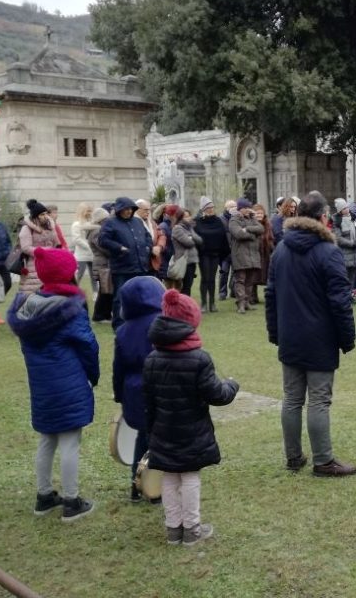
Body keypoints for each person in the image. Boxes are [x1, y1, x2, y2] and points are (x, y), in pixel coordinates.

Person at [265, 191, 356, 477]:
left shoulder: (281, 248)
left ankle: (295, 457)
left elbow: (271, 295)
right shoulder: (327, 252)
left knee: (292, 399)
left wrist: (276, 332)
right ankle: (322, 461)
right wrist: (347, 338)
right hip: (317, 337)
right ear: (321, 218)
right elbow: (340, 300)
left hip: (293, 335)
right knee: (316, 400)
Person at [8, 247, 99, 522]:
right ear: (66, 274)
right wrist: (93, 375)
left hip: (41, 384)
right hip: (68, 381)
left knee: (47, 438)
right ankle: (72, 501)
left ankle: (44, 495)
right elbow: (88, 346)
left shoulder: (28, 306)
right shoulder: (69, 310)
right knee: (70, 439)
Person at [144, 290, 239, 545]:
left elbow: (148, 400)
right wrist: (232, 386)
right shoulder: (199, 359)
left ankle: (173, 529)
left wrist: (150, 431)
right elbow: (217, 394)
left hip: (163, 430)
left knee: (170, 476)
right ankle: (192, 529)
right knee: (189, 477)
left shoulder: (152, 359)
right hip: (192, 431)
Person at [113, 276, 164, 500]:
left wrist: (119, 394)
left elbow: (118, 368)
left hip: (133, 392)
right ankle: (154, 488)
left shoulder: (123, 331)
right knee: (160, 440)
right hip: (158, 391)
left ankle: (136, 484)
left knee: (141, 438)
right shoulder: (162, 324)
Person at [98, 197, 153, 329]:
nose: (128, 211)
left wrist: (147, 248)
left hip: (140, 265)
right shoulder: (110, 223)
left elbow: (147, 237)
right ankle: (119, 324)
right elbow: (103, 240)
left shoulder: (137, 222)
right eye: (125, 209)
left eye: (130, 209)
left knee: (139, 295)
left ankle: (137, 320)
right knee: (120, 297)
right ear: (119, 210)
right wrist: (119, 248)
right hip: (122, 266)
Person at [17, 200, 62, 295]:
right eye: (42, 214)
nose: (45, 216)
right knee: (33, 295)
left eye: (46, 213)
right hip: (34, 266)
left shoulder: (50, 227)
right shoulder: (27, 228)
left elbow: (57, 244)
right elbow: (26, 247)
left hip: (50, 264)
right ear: (35, 216)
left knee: (50, 295)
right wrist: (44, 252)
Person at [228, 197, 264, 313]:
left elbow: (261, 228)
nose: (249, 210)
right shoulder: (234, 220)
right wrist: (253, 236)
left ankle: (247, 302)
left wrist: (247, 229)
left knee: (250, 281)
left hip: (252, 255)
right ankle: (241, 304)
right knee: (240, 280)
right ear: (241, 208)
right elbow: (238, 234)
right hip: (240, 254)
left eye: (249, 207)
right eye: (246, 208)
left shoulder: (252, 219)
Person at [194, 197, 229, 313]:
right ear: (203, 209)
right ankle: (203, 303)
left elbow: (222, 235)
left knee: (212, 279)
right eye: (208, 207)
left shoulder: (218, 221)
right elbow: (196, 236)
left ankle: (212, 303)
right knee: (205, 278)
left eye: (212, 207)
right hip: (203, 254)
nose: (211, 209)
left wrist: (223, 251)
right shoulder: (198, 221)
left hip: (215, 254)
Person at [333, 199, 356, 295]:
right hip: (344, 253)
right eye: (344, 208)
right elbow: (338, 238)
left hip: (355, 253)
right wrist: (352, 243)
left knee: (352, 277)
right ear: (340, 210)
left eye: (347, 207)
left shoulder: (353, 218)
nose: (347, 209)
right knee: (344, 277)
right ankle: (344, 296)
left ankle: (349, 296)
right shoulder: (337, 221)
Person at [86, 207, 113, 322]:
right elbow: (104, 248)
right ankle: (99, 315)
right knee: (104, 292)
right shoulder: (97, 232)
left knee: (106, 291)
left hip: (103, 263)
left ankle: (105, 314)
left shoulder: (98, 230)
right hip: (102, 264)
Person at [170, 207, 203, 296]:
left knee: (189, 285)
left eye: (189, 216)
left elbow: (199, 240)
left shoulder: (189, 228)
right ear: (180, 217)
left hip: (192, 261)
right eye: (185, 217)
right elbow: (189, 243)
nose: (188, 219)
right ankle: (183, 306)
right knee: (184, 287)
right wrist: (192, 238)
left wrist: (190, 236)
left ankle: (185, 305)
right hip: (184, 262)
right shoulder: (177, 228)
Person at [70, 203, 96, 294]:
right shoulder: (76, 224)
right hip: (81, 254)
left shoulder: (91, 223)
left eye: (90, 211)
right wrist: (88, 246)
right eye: (87, 211)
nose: (89, 213)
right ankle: (73, 292)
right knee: (79, 274)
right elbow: (76, 239)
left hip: (92, 254)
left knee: (94, 275)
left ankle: (95, 294)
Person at [251, 203, 274, 305]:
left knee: (266, 275)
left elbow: (271, 237)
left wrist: (271, 246)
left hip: (265, 254)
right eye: (257, 213)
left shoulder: (268, 224)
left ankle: (269, 296)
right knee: (253, 276)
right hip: (254, 253)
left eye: (261, 213)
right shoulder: (251, 223)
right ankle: (252, 297)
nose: (259, 215)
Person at [218, 200, 237, 300]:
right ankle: (222, 292)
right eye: (232, 206)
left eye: (235, 206)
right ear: (226, 208)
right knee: (224, 272)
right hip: (225, 252)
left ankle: (233, 291)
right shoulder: (220, 219)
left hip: (236, 250)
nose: (234, 208)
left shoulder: (237, 218)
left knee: (235, 273)